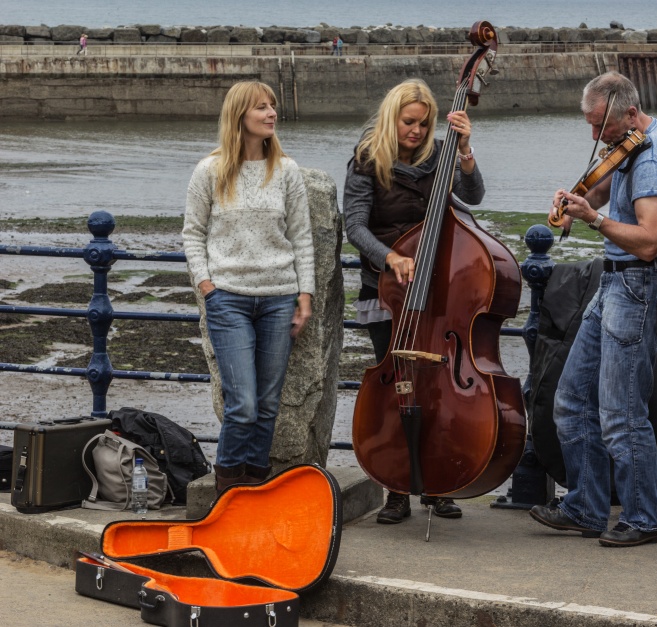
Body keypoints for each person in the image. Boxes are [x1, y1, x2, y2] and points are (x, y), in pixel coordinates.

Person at [529, 71, 657, 548]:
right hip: (613, 284)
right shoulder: (629, 143)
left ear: (630, 114)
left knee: (621, 413)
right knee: (572, 398)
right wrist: (579, 199)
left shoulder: (652, 155)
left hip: (636, 285)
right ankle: (587, 506)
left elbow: (648, 241)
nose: (595, 136)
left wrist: (593, 220)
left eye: (601, 126)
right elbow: (601, 191)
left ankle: (644, 518)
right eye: (591, 125)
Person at [343, 78, 483, 524]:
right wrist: (390, 257)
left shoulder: (439, 154)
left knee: (438, 390)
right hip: (387, 291)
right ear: (392, 118)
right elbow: (355, 226)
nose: (418, 131)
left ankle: (438, 484)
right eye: (409, 122)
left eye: (424, 123)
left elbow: (474, 198)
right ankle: (398, 487)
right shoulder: (368, 159)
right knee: (400, 386)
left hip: (437, 292)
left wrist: (463, 152)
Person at [182, 81, 315, 495]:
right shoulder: (210, 170)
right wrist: (207, 286)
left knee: (269, 405)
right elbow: (192, 234)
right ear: (240, 115)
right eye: (261, 107)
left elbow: (302, 236)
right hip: (229, 301)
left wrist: (305, 296)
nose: (271, 113)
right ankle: (227, 490)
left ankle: (254, 489)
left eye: (273, 106)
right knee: (243, 405)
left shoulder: (286, 171)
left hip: (279, 298)